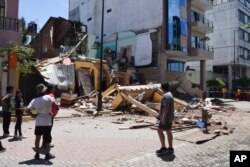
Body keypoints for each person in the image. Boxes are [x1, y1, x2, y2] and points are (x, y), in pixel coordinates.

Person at [24, 83, 58, 160]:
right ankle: (47, 154)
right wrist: (51, 110)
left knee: (37, 139)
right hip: (47, 121)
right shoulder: (49, 97)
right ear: (44, 90)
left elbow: (27, 109)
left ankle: (37, 154)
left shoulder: (34, 100)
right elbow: (56, 105)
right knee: (47, 140)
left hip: (38, 121)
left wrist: (32, 115)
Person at [156, 82, 175, 155]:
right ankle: (169, 148)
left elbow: (166, 107)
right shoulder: (170, 94)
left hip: (166, 118)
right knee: (168, 131)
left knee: (160, 130)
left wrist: (163, 117)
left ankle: (166, 148)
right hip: (169, 117)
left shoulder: (166, 96)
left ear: (162, 88)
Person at [41, 84, 59, 148]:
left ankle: (44, 143)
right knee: (48, 130)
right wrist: (57, 106)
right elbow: (54, 104)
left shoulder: (45, 95)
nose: (54, 89)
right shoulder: (51, 95)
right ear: (51, 89)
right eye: (53, 88)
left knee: (45, 130)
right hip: (50, 115)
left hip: (44, 114)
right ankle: (47, 144)